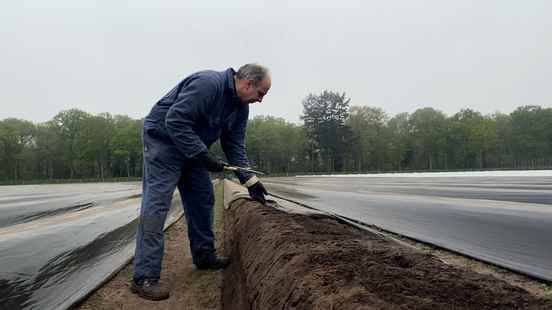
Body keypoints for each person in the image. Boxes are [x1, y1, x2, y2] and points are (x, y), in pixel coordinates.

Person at [131, 63, 270, 301]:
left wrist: (250, 181)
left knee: (203, 197)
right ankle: (144, 276)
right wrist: (203, 155)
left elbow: (234, 145)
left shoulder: (240, 108)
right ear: (248, 83)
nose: (260, 100)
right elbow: (175, 120)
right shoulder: (208, 84)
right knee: (157, 204)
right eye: (261, 93)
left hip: (193, 148)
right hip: (163, 141)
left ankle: (204, 256)